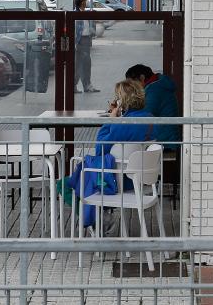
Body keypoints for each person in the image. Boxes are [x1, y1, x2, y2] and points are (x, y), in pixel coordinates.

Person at [63, 79, 154, 230]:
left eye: (117, 97)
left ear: (122, 101)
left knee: (67, 184)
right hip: (140, 178)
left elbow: (100, 149)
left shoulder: (124, 124)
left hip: (118, 180)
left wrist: (112, 120)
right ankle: (100, 215)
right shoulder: (149, 118)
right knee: (81, 181)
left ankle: (96, 219)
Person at [125, 64, 180, 144]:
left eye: (132, 83)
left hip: (164, 141)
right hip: (163, 137)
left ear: (142, 78)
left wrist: (125, 112)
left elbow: (145, 114)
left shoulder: (155, 90)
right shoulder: (157, 85)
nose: (132, 87)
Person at [74, 0, 99, 93]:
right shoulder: (76, 14)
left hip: (86, 40)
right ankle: (76, 85)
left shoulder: (86, 13)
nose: (86, 2)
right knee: (79, 64)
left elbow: (91, 25)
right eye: (85, 1)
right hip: (80, 41)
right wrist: (75, 43)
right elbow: (74, 29)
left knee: (86, 64)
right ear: (81, 2)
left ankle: (87, 85)